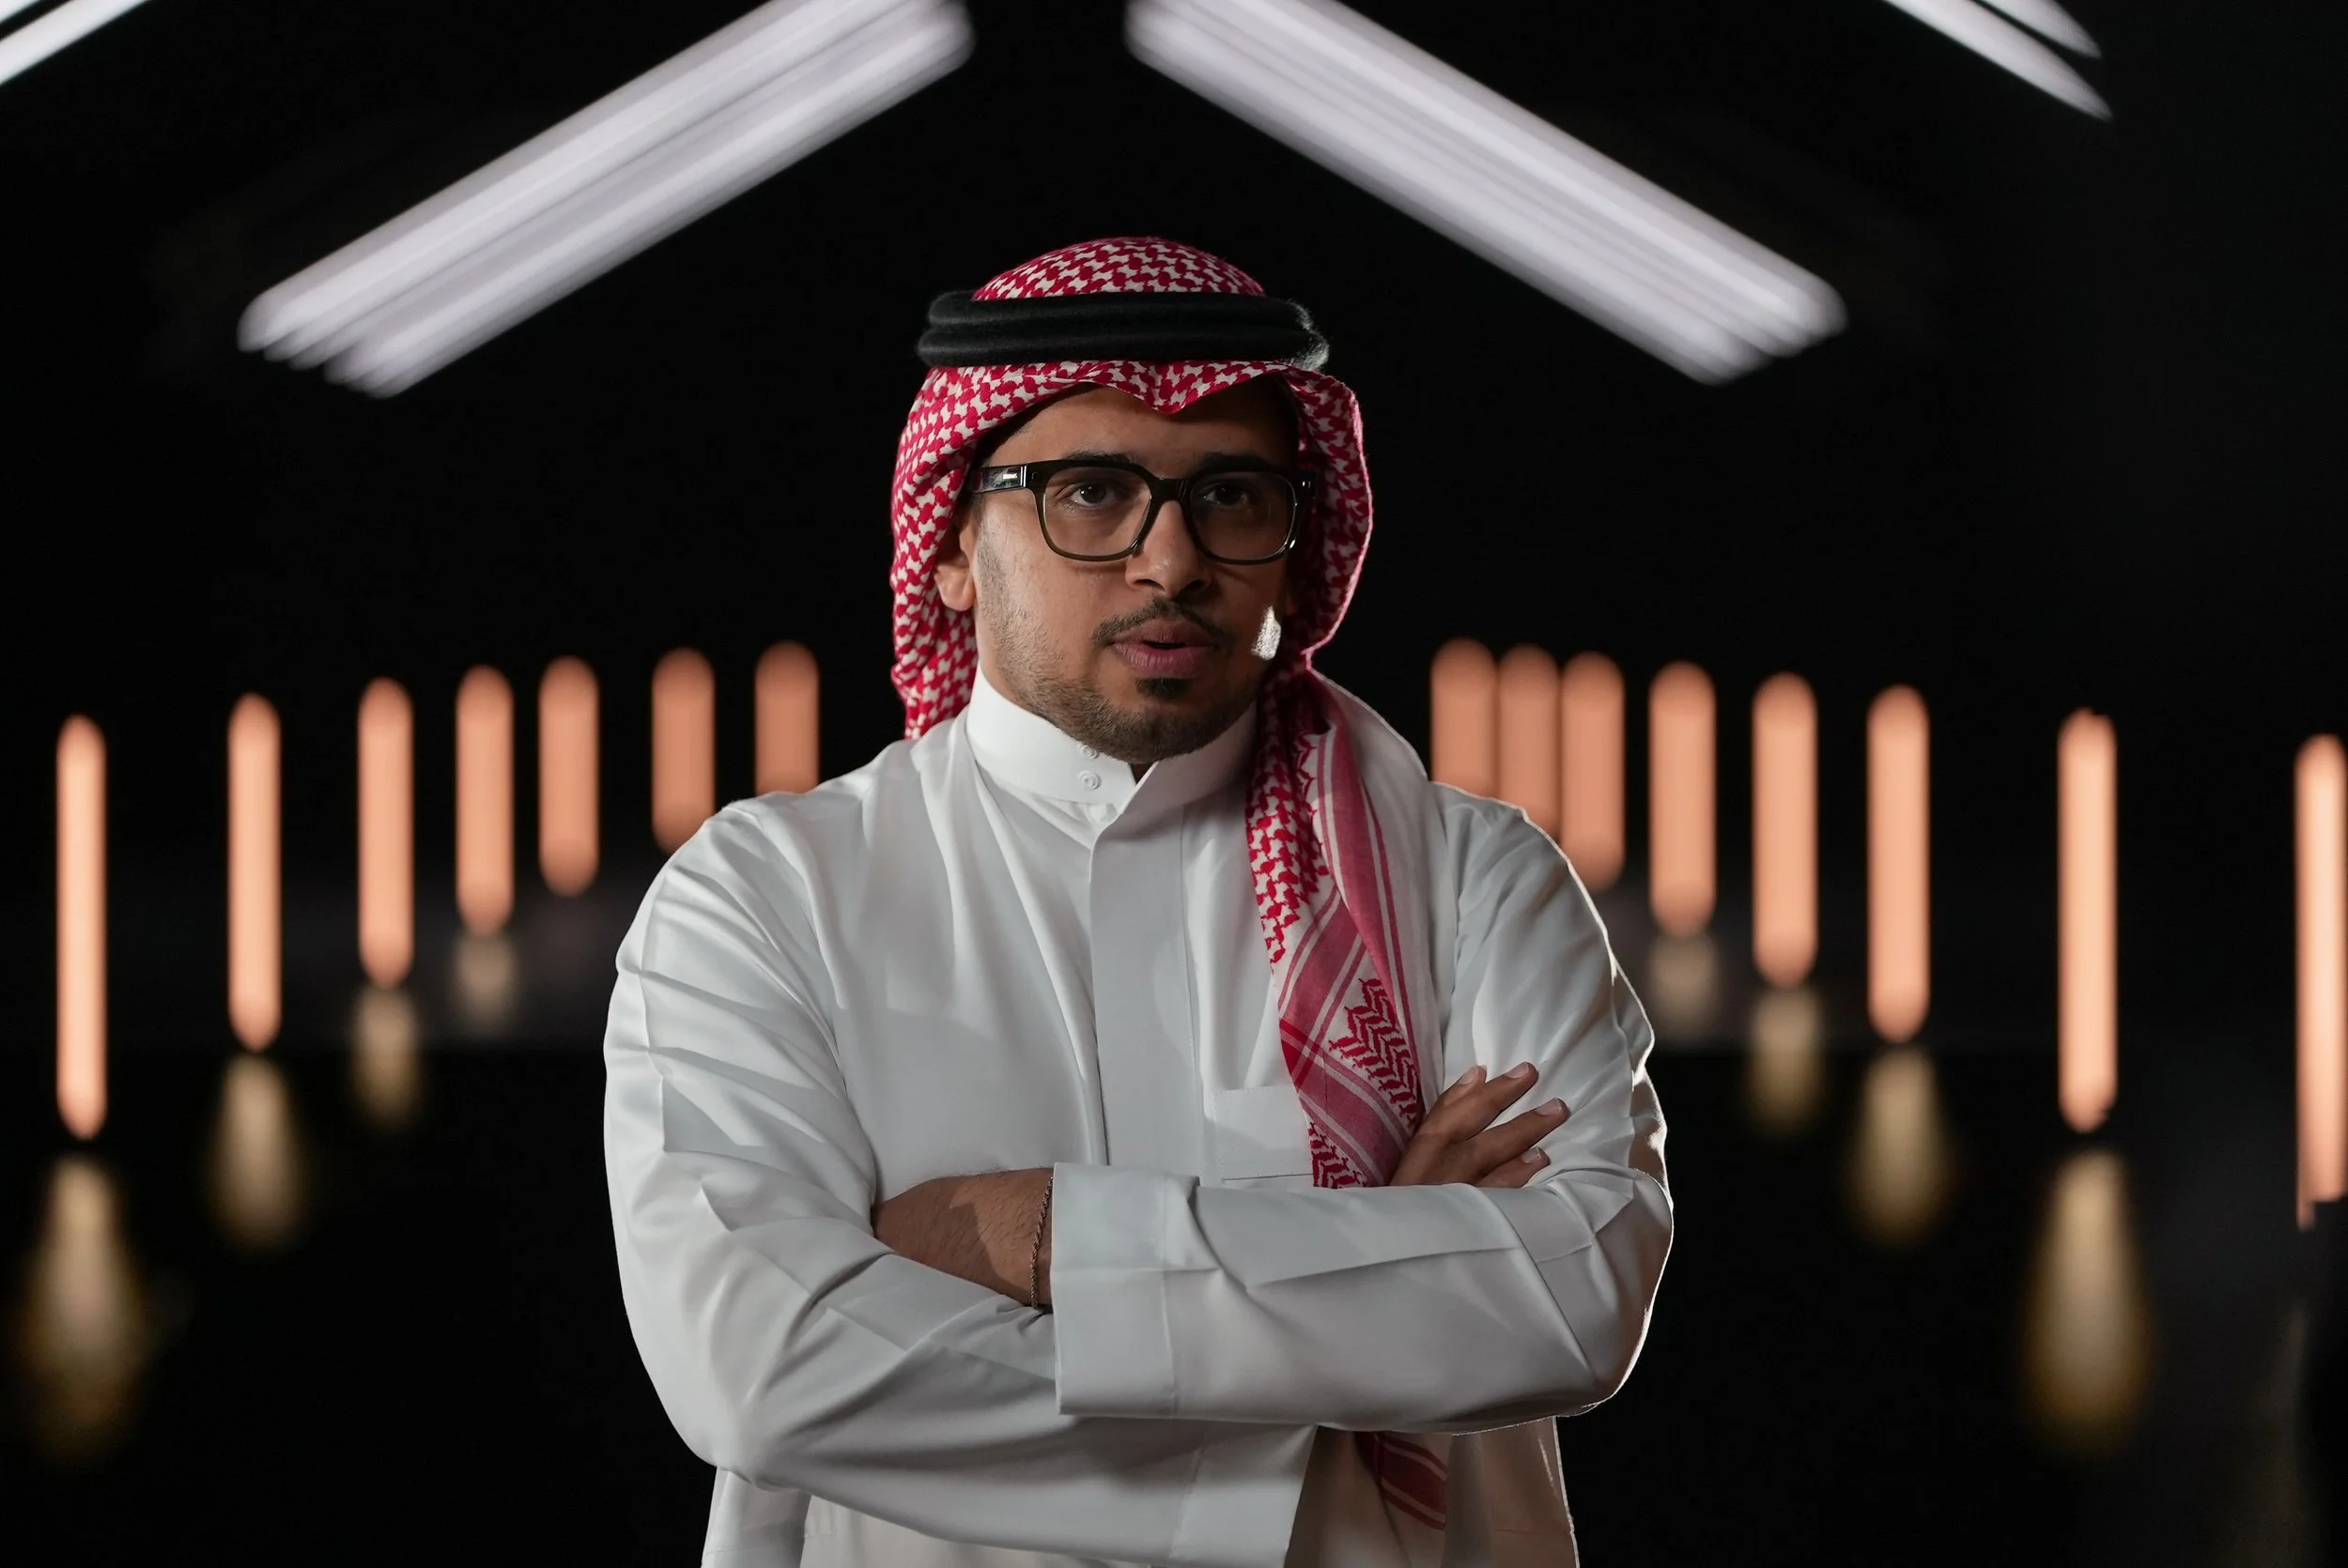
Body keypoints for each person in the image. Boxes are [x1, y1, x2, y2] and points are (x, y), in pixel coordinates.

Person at [603, 237, 1673, 1568]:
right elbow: (762, 1369)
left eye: (1228, 495)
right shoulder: (764, 898)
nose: (1170, 562)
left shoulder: (1474, 879)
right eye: (1090, 492)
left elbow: (1573, 1294)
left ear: (1291, 547)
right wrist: (1375, 1287)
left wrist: (1040, 1237)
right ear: (949, 545)